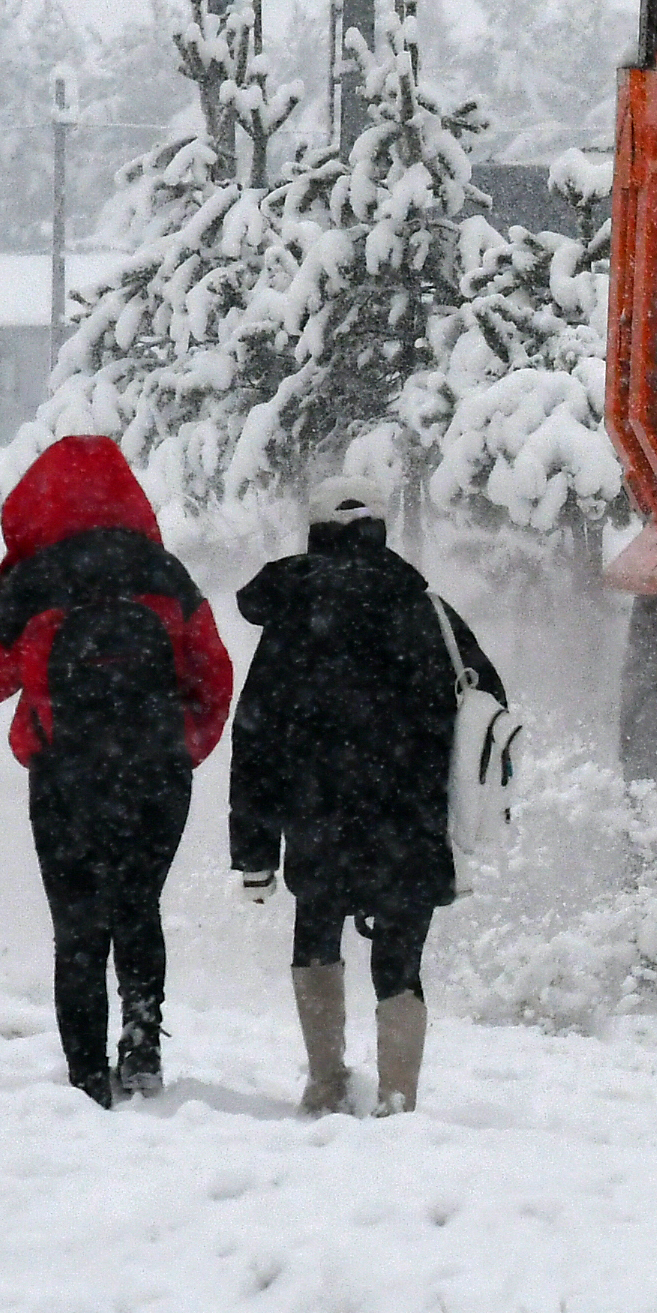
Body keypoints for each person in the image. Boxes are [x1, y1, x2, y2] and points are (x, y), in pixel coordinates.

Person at [0, 437, 232, 1108]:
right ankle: (142, 1045)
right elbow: (212, 678)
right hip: (158, 777)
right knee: (137, 906)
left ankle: (85, 1079)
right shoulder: (165, 576)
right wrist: (177, 745)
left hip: (67, 777)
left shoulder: (35, 584)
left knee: (78, 928)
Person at [229, 477, 502, 1117]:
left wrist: (254, 854)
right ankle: (397, 1099)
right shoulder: (426, 609)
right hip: (408, 822)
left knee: (316, 939)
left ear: (316, 533)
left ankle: (326, 1084)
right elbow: (490, 710)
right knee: (400, 965)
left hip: (318, 819)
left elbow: (256, 741)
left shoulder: (293, 618)